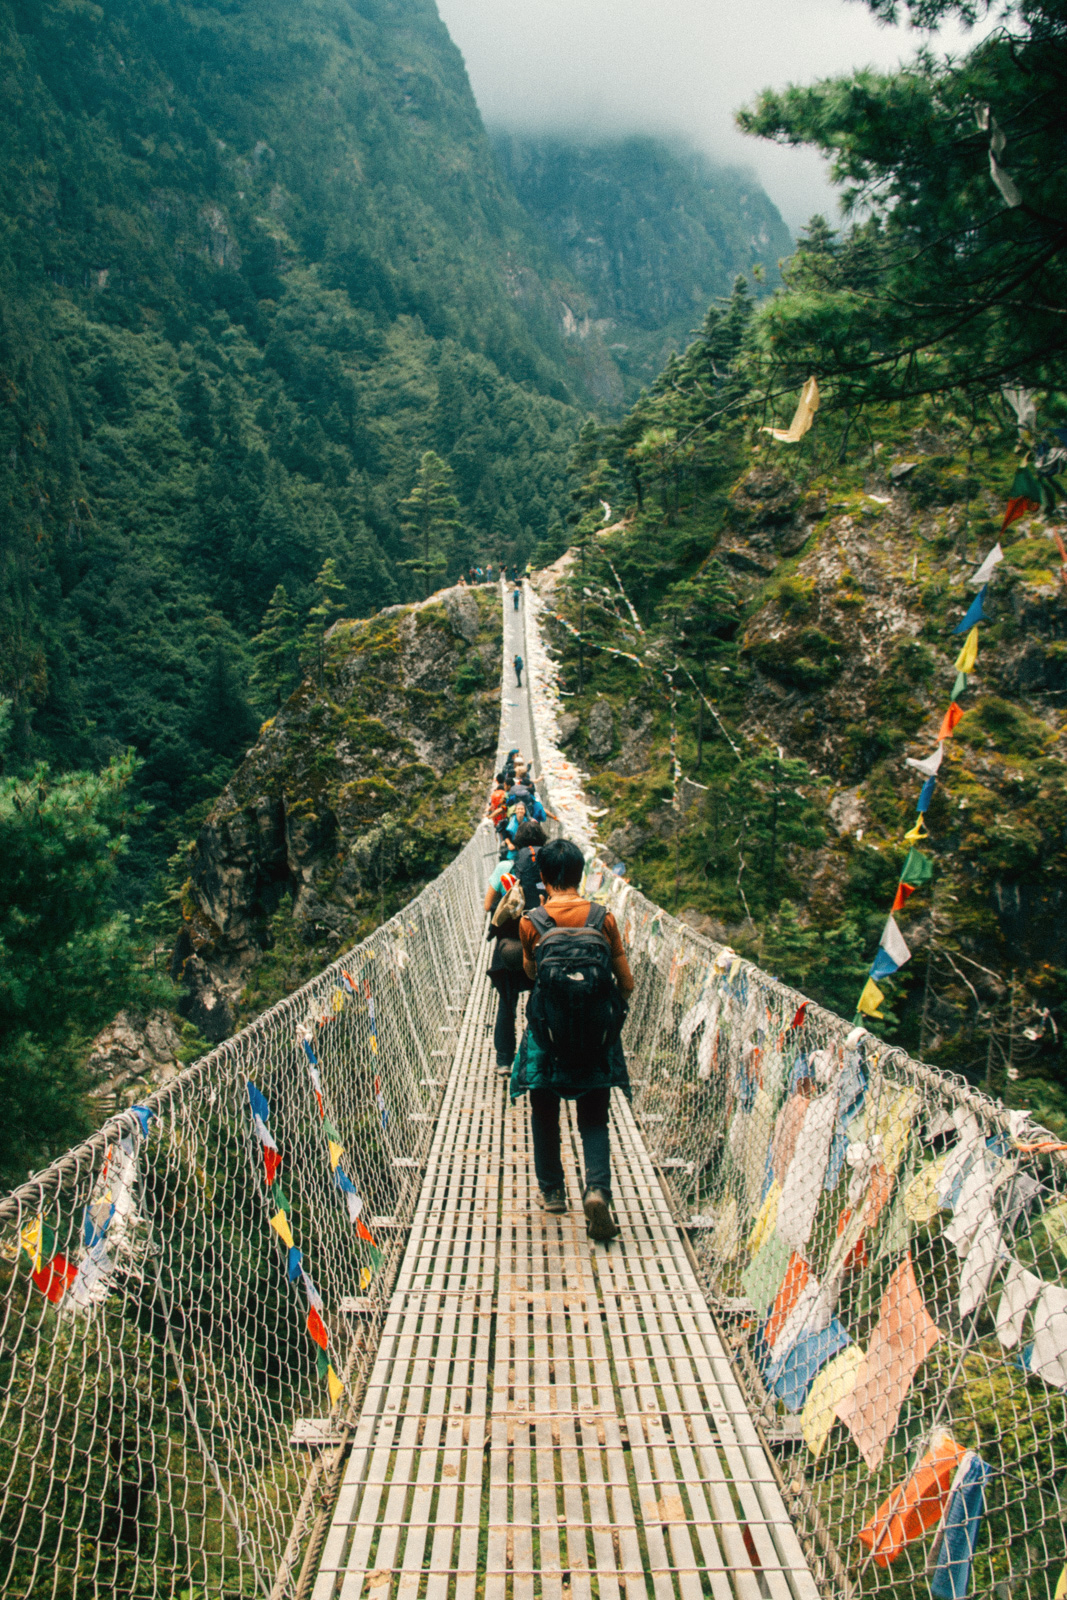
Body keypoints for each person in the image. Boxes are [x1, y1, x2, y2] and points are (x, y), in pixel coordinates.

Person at [511, 837, 634, 1242]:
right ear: (581, 874)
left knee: (543, 1112)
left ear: (543, 877)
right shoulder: (604, 918)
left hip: (547, 1035)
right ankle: (597, 1189)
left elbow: (530, 976)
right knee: (595, 1118)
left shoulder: (532, 921)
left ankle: (553, 1193)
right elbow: (627, 982)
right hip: (597, 1037)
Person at [484, 819, 546, 1076]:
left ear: (517, 841)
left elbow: (488, 906)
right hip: (542, 946)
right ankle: (535, 1058)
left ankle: (504, 1061)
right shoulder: (549, 867)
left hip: (509, 947)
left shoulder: (505, 867)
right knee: (540, 1003)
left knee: (506, 1004)